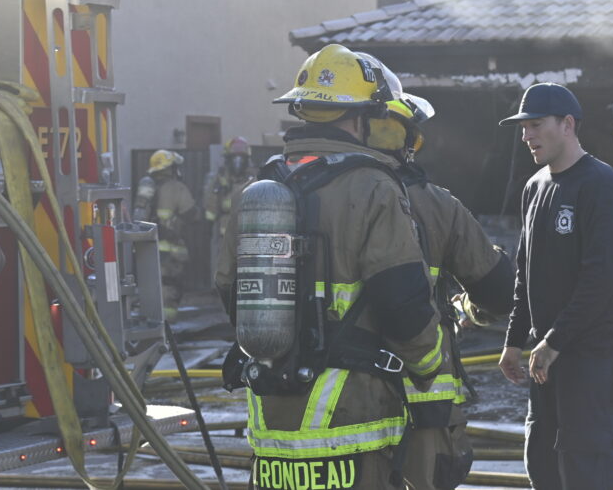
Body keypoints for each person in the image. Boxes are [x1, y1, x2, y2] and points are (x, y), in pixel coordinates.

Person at [215, 44, 446, 489]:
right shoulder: (374, 186)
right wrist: (428, 363)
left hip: (273, 434)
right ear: (363, 118)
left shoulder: (258, 190)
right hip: (351, 431)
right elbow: (401, 299)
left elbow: (229, 287)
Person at [363, 76, 515, 490]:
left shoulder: (306, 197)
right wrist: (465, 308)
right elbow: (500, 292)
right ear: (407, 142)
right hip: (421, 398)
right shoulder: (436, 204)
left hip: (330, 403)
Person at [497, 82, 613, 490]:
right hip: (547, 360)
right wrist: (514, 340)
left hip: (590, 358)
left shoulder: (599, 183)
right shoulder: (534, 187)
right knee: (542, 463)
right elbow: (525, 273)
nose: (526, 135)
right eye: (523, 127)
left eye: (536, 124)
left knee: (588, 469)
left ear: (568, 124)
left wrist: (554, 341)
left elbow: (603, 278)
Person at [133, 149, 199, 320]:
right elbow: (191, 215)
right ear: (170, 168)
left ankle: (152, 321)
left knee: (151, 285)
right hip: (172, 251)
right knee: (171, 287)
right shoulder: (177, 188)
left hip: (148, 249)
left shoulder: (147, 188)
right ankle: (168, 326)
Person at [203, 136, 254, 275]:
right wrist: (208, 223)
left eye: (241, 158)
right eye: (234, 158)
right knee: (225, 267)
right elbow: (211, 203)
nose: (238, 162)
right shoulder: (220, 179)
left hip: (249, 232)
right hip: (225, 234)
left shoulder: (254, 178)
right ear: (227, 159)